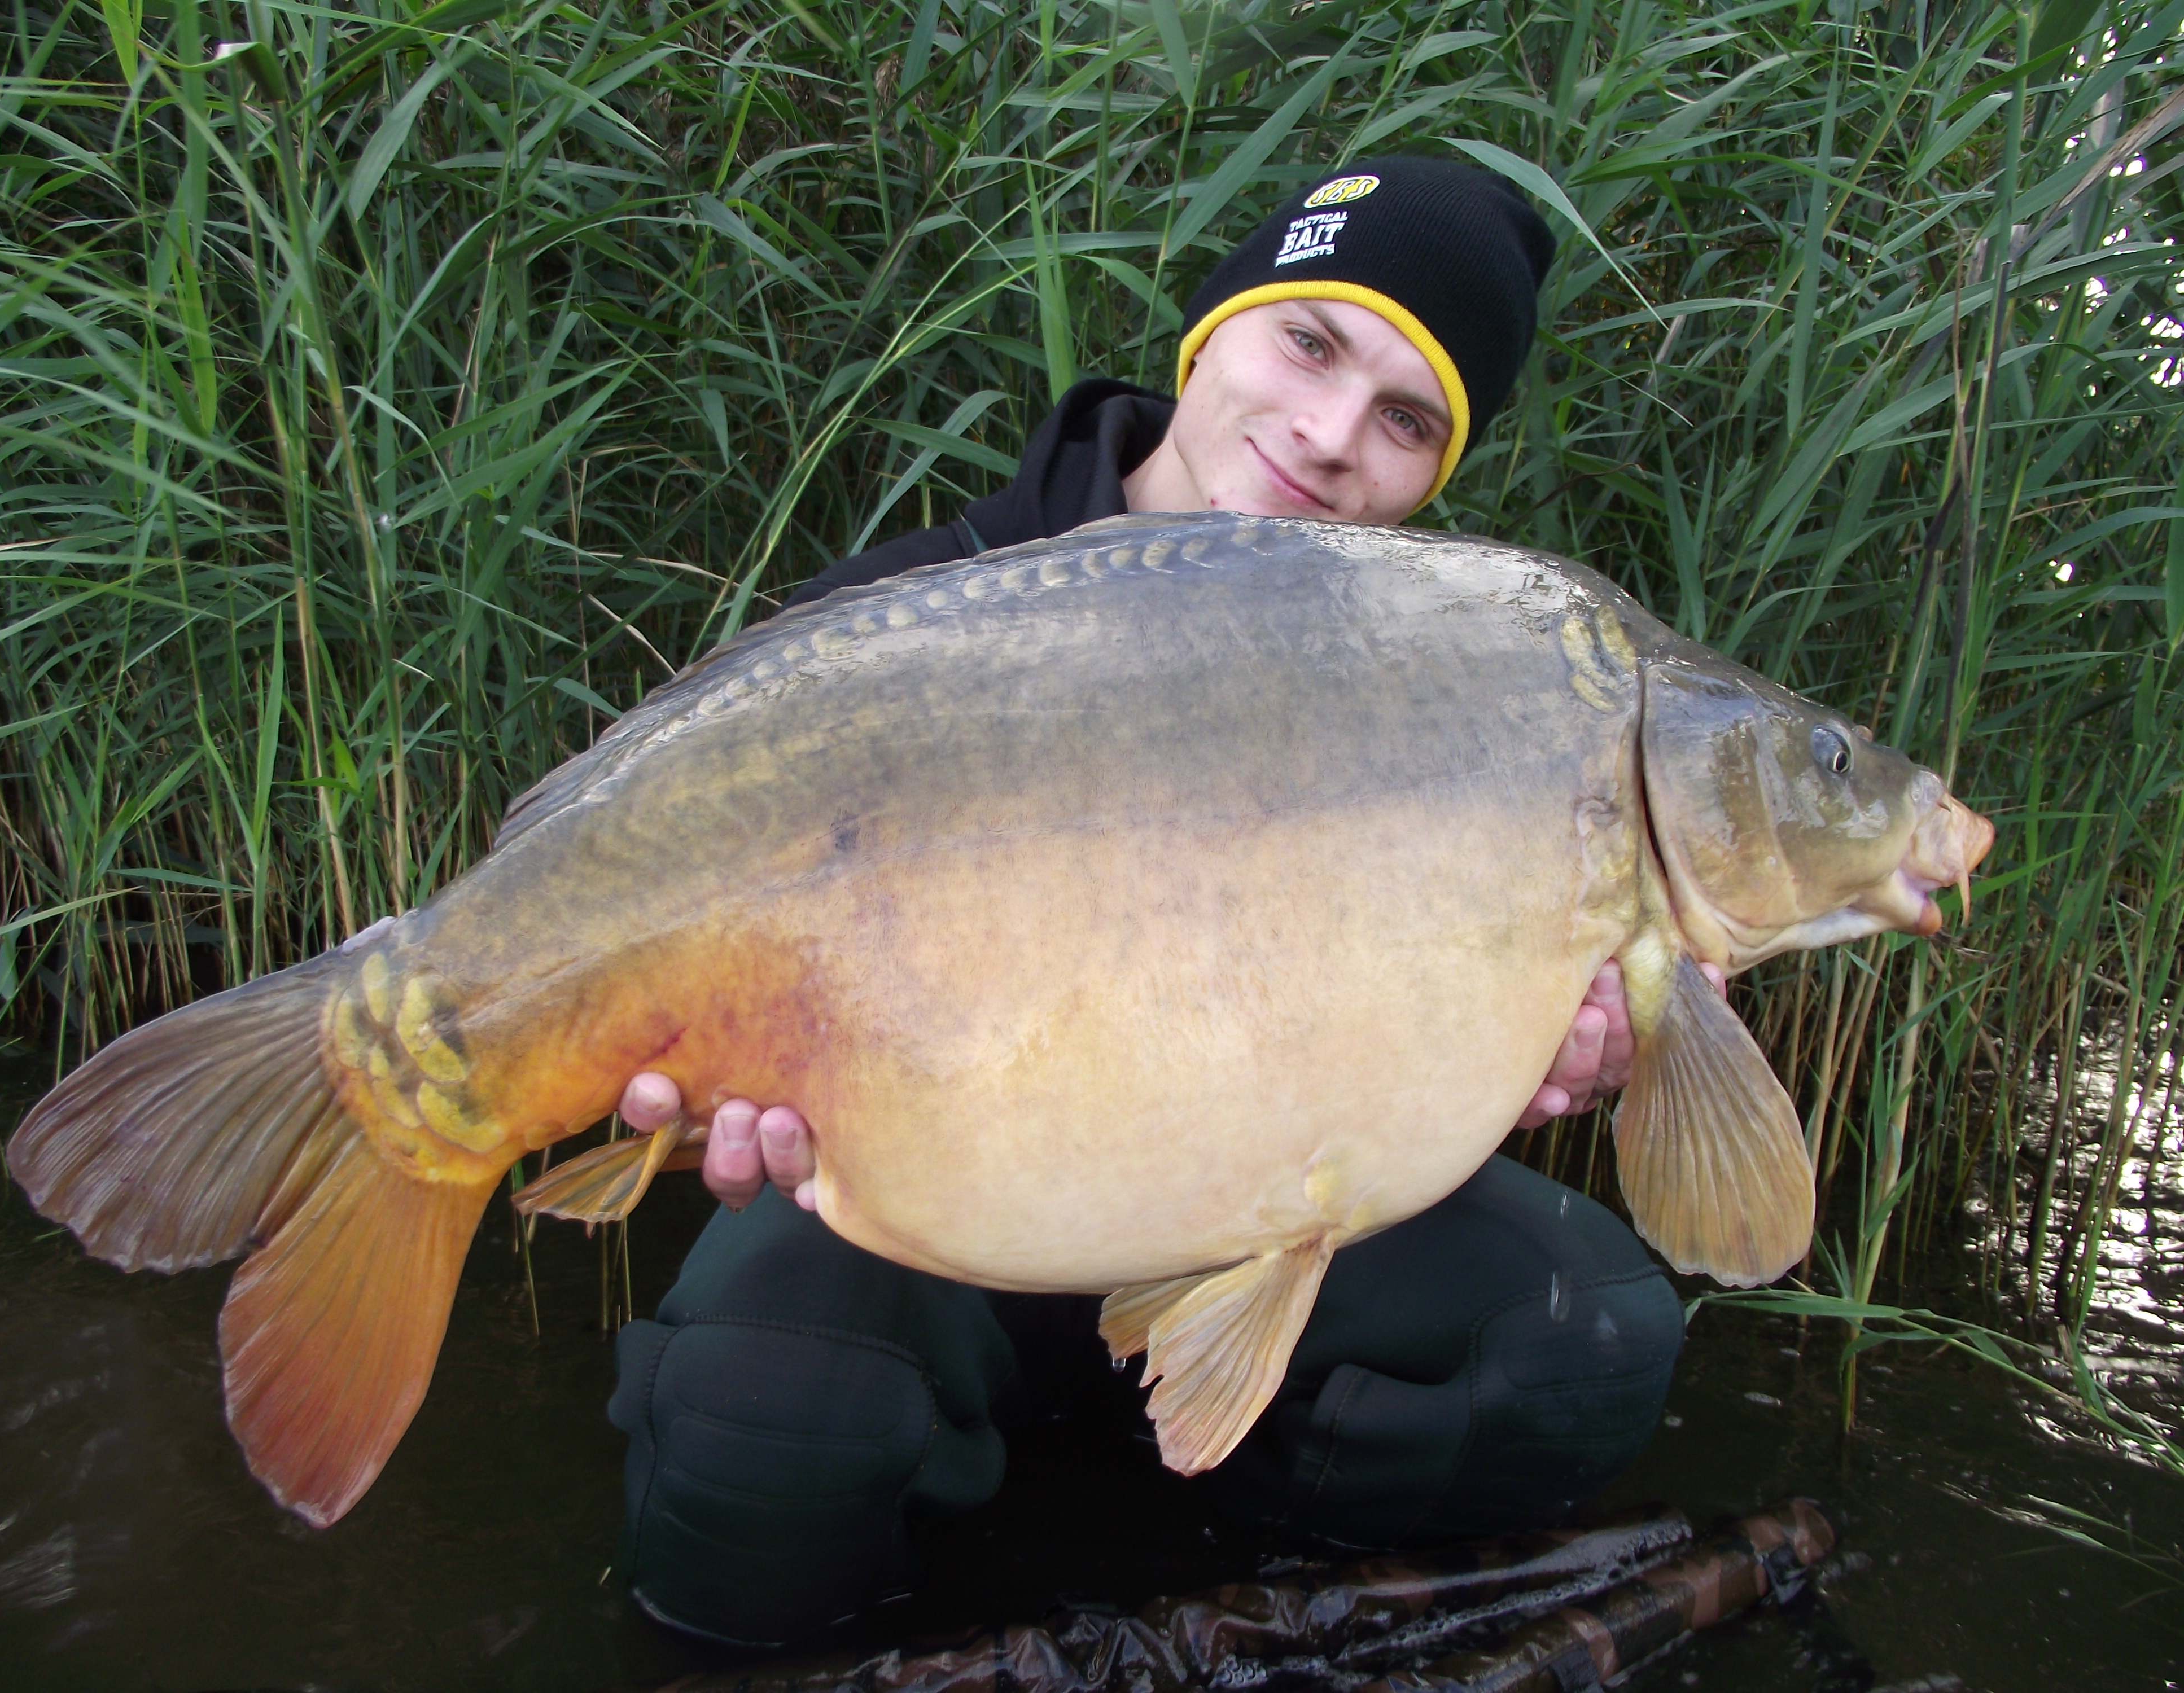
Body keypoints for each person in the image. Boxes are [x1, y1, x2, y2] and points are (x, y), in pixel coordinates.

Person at [603, 158, 1688, 1647]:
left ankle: (1203, 1563)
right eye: (1310, 344)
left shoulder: (1452, 697)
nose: (1328, 437)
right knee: (758, 1413)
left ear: (1439, 473)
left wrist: (1546, 1038)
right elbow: (672, 978)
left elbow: (1496, 983)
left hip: (1269, 1210)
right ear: (1213, 331)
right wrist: (691, 1102)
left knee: (1590, 1339)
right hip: (931, 1224)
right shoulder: (909, 621)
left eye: (1406, 419)